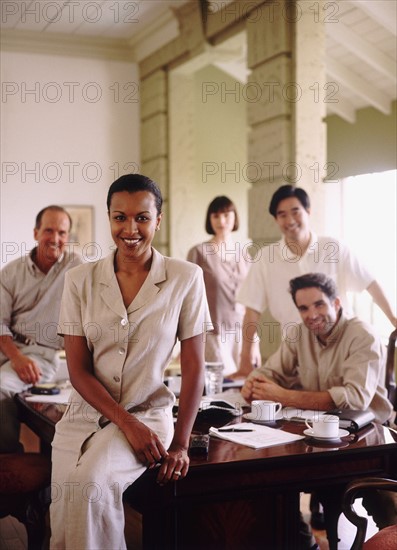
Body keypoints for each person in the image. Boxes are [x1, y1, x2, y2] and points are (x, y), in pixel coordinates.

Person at [50, 174, 211, 549]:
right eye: (119, 217)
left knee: (89, 487)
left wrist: (182, 444)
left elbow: (194, 367)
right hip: (82, 418)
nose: (130, 228)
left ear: (158, 219)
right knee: (65, 516)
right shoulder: (78, 280)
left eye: (142, 217)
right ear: (109, 219)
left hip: (149, 414)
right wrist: (126, 423)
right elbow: (78, 370)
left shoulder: (185, 278)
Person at [241, 272, 395, 542]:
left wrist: (284, 396)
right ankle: (301, 540)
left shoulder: (363, 335)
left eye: (319, 304)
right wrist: (253, 383)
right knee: (267, 485)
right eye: (303, 308)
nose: (311, 314)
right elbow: (271, 371)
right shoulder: (299, 334)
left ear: (336, 302)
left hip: (366, 439)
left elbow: (355, 398)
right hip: (314, 437)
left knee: (377, 505)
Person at [235, 184, 397, 378]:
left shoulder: (333, 248)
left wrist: (394, 320)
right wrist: (245, 360)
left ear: (308, 211)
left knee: (346, 402)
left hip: (341, 350)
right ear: (276, 219)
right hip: (296, 357)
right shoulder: (265, 258)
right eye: (282, 215)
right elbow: (251, 311)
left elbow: (370, 283)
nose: (290, 220)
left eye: (296, 212)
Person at [0, 205, 82, 453]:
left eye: (62, 233)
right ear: (36, 233)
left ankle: (8, 463)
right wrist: (17, 357)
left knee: (1, 388)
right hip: (10, 346)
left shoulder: (77, 268)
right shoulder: (11, 272)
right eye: (49, 230)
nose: (55, 239)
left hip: (43, 353)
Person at [187, 196, 250, 376]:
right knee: (219, 385)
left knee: (244, 384)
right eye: (215, 216)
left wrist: (253, 338)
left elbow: (251, 298)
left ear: (234, 217)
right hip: (213, 332)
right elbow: (189, 296)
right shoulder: (198, 252)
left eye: (226, 215)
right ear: (209, 219)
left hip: (241, 331)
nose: (221, 221)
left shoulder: (244, 254)